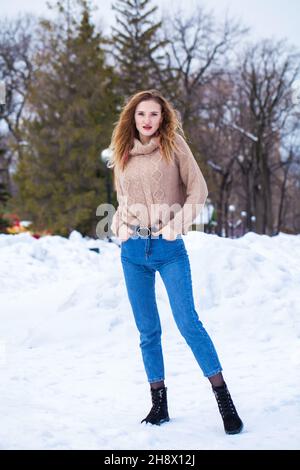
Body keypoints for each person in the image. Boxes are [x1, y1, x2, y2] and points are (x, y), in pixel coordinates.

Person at [108, 89, 243, 435]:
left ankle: (223, 399)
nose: (147, 120)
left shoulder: (175, 146)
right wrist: (119, 227)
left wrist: (175, 227)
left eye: (154, 114)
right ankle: (159, 403)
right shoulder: (123, 152)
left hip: (168, 250)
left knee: (188, 323)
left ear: (163, 117)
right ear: (132, 118)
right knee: (148, 331)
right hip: (133, 253)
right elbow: (122, 198)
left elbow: (198, 191)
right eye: (141, 115)